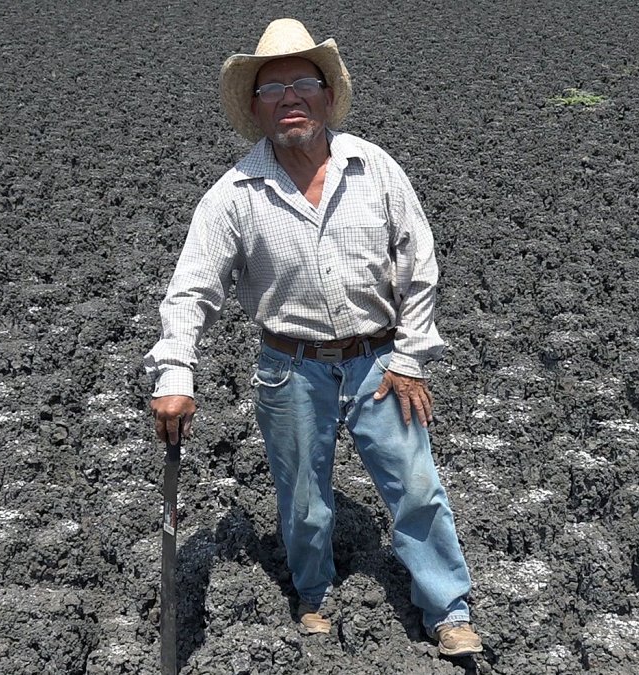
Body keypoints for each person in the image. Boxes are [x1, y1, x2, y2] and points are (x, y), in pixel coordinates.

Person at [144, 18, 483, 657]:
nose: (290, 99)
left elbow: (419, 264)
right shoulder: (234, 194)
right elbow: (192, 290)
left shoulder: (374, 168)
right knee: (303, 499)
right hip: (290, 365)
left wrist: (411, 357)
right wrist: (175, 372)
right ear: (255, 108)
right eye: (272, 89)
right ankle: (313, 595)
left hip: (380, 360)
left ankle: (448, 610)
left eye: (303, 84)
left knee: (416, 489)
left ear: (328, 95)